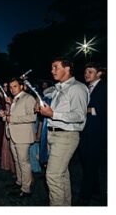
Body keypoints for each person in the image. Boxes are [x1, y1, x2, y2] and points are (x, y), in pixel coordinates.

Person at [37, 58, 89, 206]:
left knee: (53, 176)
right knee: (62, 175)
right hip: (54, 135)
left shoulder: (77, 88)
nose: (52, 70)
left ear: (67, 69)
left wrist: (52, 114)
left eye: (55, 67)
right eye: (52, 67)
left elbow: (79, 116)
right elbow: (46, 93)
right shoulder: (59, 88)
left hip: (66, 136)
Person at [0, 78, 36, 198]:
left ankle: (26, 189)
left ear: (22, 86)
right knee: (17, 161)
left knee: (24, 162)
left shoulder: (28, 98)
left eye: (15, 86)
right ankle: (19, 182)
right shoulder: (15, 99)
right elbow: (12, 117)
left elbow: (32, 117)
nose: (12, 89)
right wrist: (4, 116)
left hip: (23, 136)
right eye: (10, 87)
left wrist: (12, 119)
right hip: (13, 134)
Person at [79, 63, 105, 205]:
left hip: (96, 132)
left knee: (90, 163)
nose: (86, 74)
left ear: (99, 73)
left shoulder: (104, 88)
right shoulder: (86, 88)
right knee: (87, 162)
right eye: (85, 71)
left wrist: (83, 109)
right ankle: (96, 190)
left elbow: (101, 110)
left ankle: (85, 195)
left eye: (90, 71)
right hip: (85, 131)